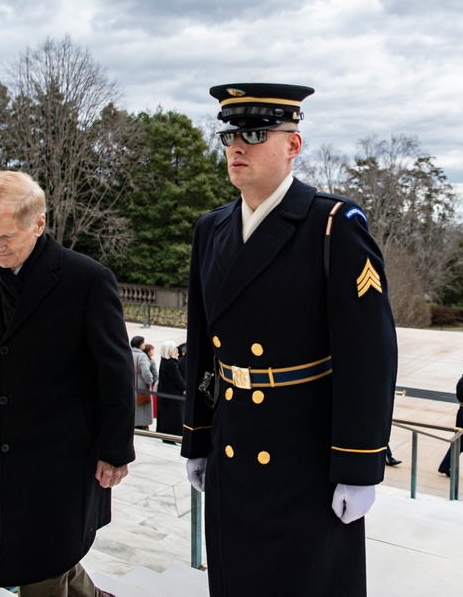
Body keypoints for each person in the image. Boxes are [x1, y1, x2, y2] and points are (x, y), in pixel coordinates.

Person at [181, 83, 398, 596]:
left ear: (293, 145)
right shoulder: (211, 229)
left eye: (255, 134)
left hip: (306, 456)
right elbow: (204, 345)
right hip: (233, 447)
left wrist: (360, 465)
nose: (237, 146)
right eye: (229, 135)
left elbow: (369, 354)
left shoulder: (331, 225)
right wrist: (197, 435)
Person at [0, 170, 134, 594]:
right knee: (42, 553)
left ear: (39, 223)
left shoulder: (88, 279)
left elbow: (116, 371)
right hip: (9, 447)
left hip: (67, 453)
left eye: (7, 237)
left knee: (38, 560)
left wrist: (116, 450)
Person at [155, 340, 184, 442]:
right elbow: (178, 380)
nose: (177, 351)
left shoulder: (165, 362)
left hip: (166, 394)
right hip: (172, 395)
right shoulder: (171, 364)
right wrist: (185, 387)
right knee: (173, 416)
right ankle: (172, 436)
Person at [131, 337, 157, 430]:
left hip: (130, 383)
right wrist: (150, 381)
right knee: (141, 408)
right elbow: (145, 372)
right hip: (141, 386)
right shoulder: (142, 356)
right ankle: (142, 426)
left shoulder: (129, 353)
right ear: (140, 344)